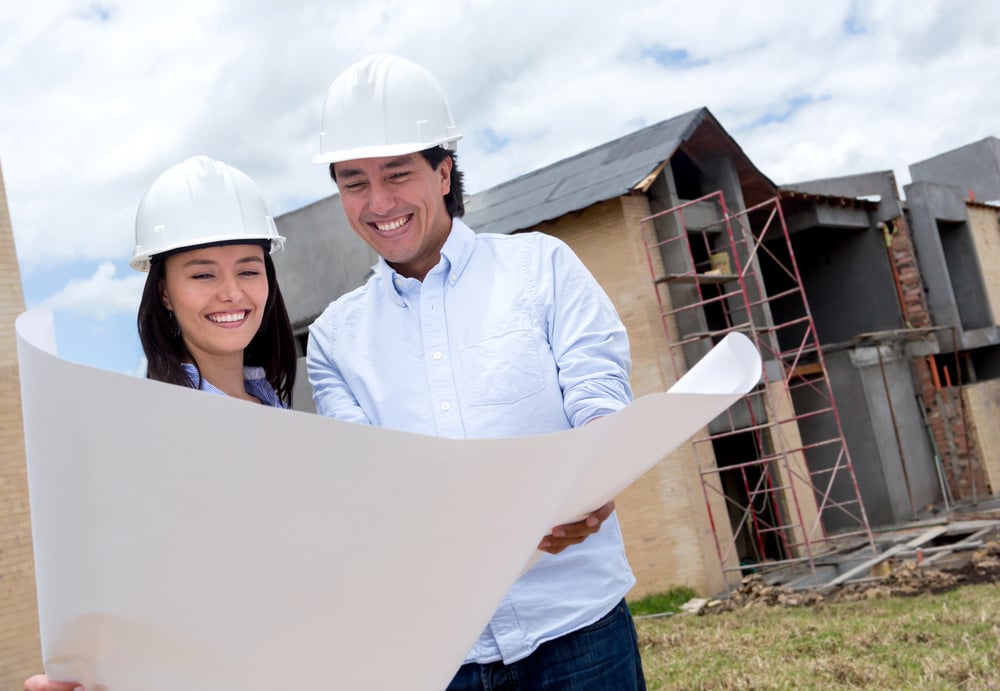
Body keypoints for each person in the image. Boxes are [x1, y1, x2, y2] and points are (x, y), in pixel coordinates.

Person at [307, 54, 646, 690]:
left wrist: (595, 484)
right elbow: (366, 478)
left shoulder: (542, 268)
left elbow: (600, 396)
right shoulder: (334, 339)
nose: (378, 203)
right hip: (441, 653)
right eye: (353, 183)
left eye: (397, 174)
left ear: (442, 173)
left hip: (575, 629)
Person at [24, 155, 296, 691]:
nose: (232, 293)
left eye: (248, 268)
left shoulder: (279, 411)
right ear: (165, 291)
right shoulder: (142, 436)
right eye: (202, 274)